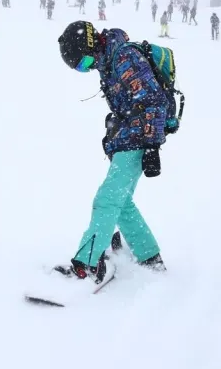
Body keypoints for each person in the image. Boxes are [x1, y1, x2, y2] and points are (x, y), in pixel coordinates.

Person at [55, 21, 176, 283]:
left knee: (107, 199)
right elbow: (127, 104)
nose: (86, 69)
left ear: (91, 46)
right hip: (130, 137)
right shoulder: (110, 61)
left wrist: (153, 145)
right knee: (121, 202)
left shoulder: (124, 58)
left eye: (84, 63)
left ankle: (85, 266)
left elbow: (153, 101)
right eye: (80, 68)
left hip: (139, 139)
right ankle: (149, 256)